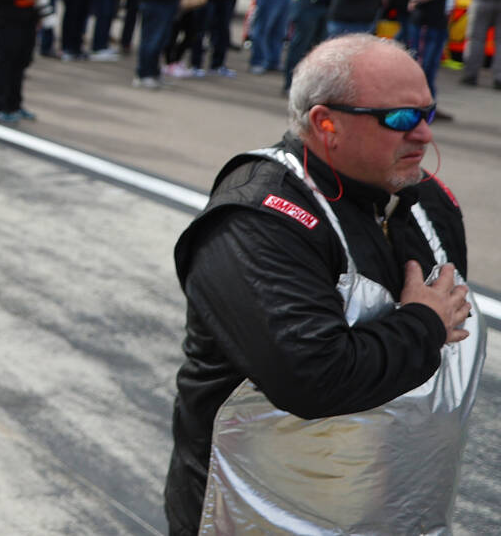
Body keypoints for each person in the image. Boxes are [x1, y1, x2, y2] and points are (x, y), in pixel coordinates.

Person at [166, 33, 483, 536]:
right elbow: (312, 377)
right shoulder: (256, 219)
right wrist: (423, 324)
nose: (423, 134)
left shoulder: (429, 200)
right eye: (400, 118)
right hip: (261, 517)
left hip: (398, 510)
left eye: (428, 111)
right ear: (324, 122)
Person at [410, 0, 461, 117]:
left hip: (440, 21)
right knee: (422, 66)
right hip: (426, 22)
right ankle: (418, 106)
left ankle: (429, 105)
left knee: (432, 67)